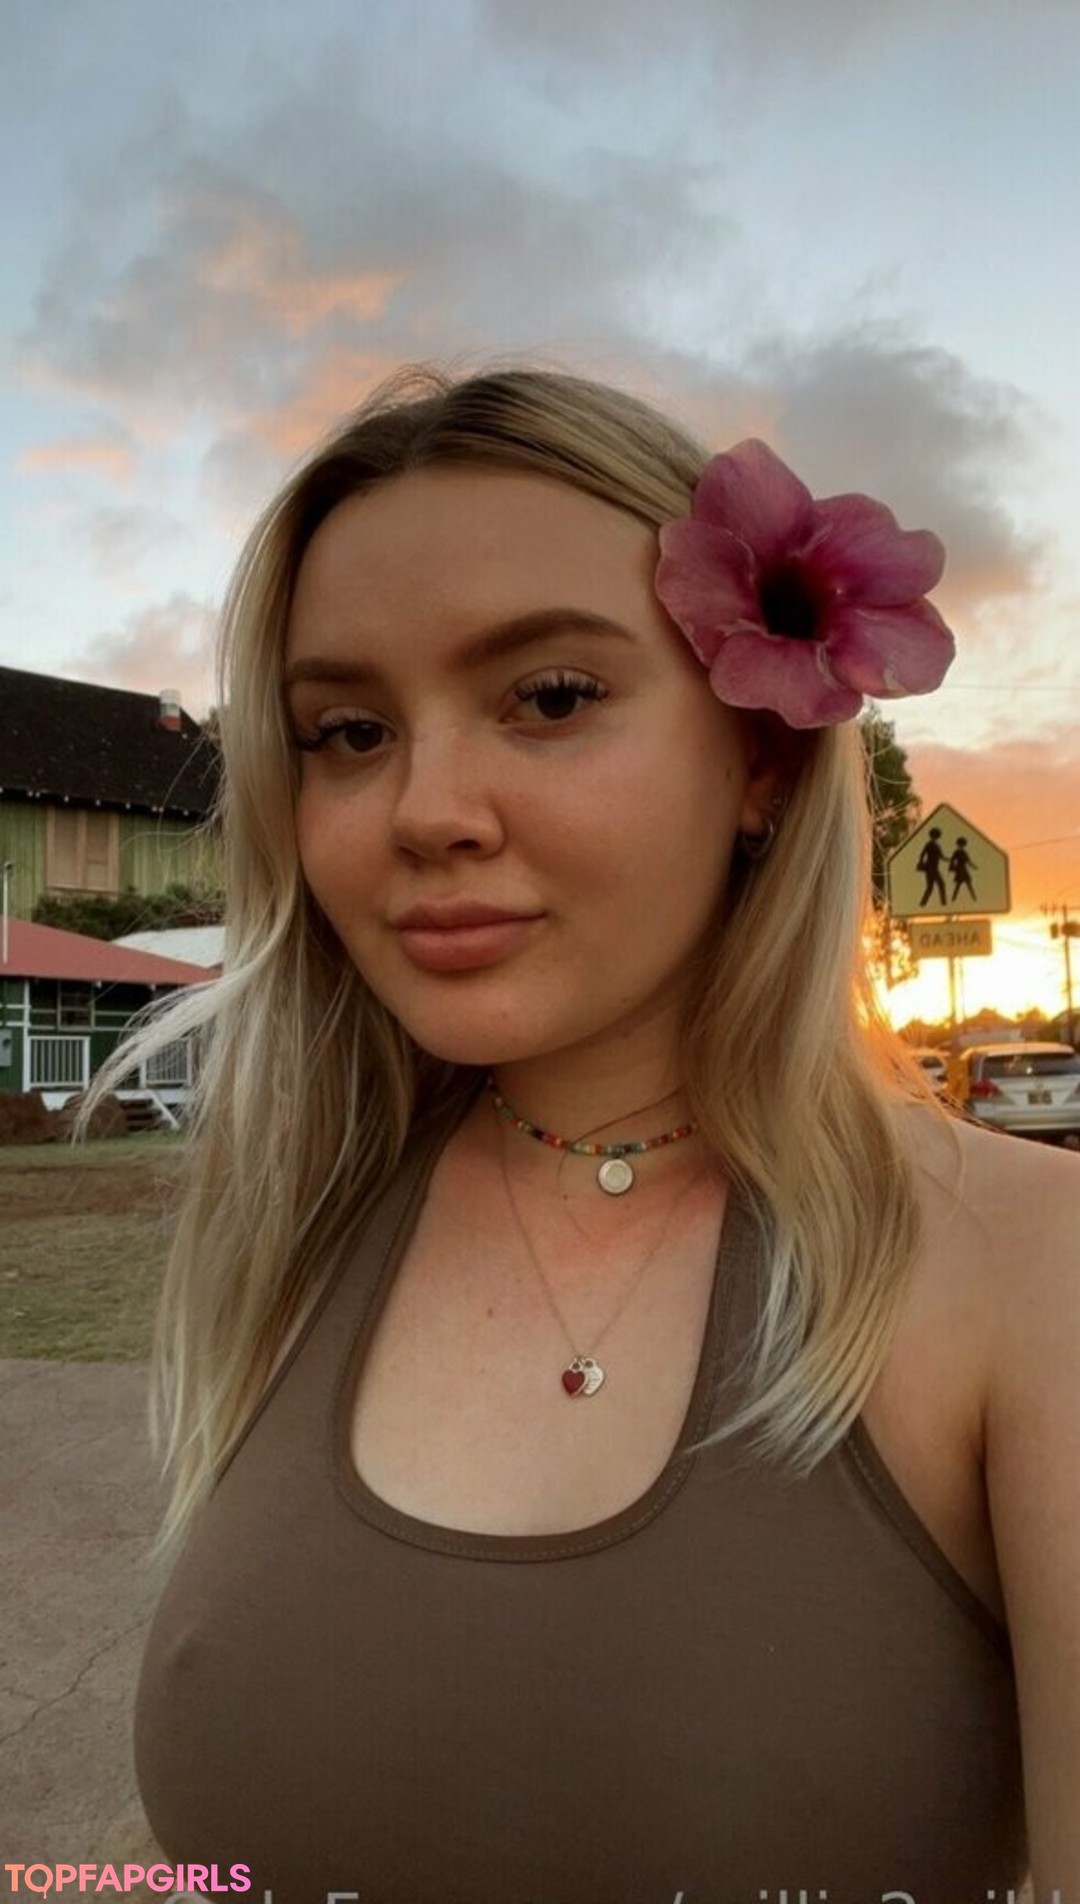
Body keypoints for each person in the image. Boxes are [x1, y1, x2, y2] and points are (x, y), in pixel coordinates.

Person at [91, 365, 1079, 1901]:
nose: (426, 809)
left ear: (761, 760)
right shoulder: (291, 1230)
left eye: (550, 698)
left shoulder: (1032, 1271)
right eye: (347, 731)